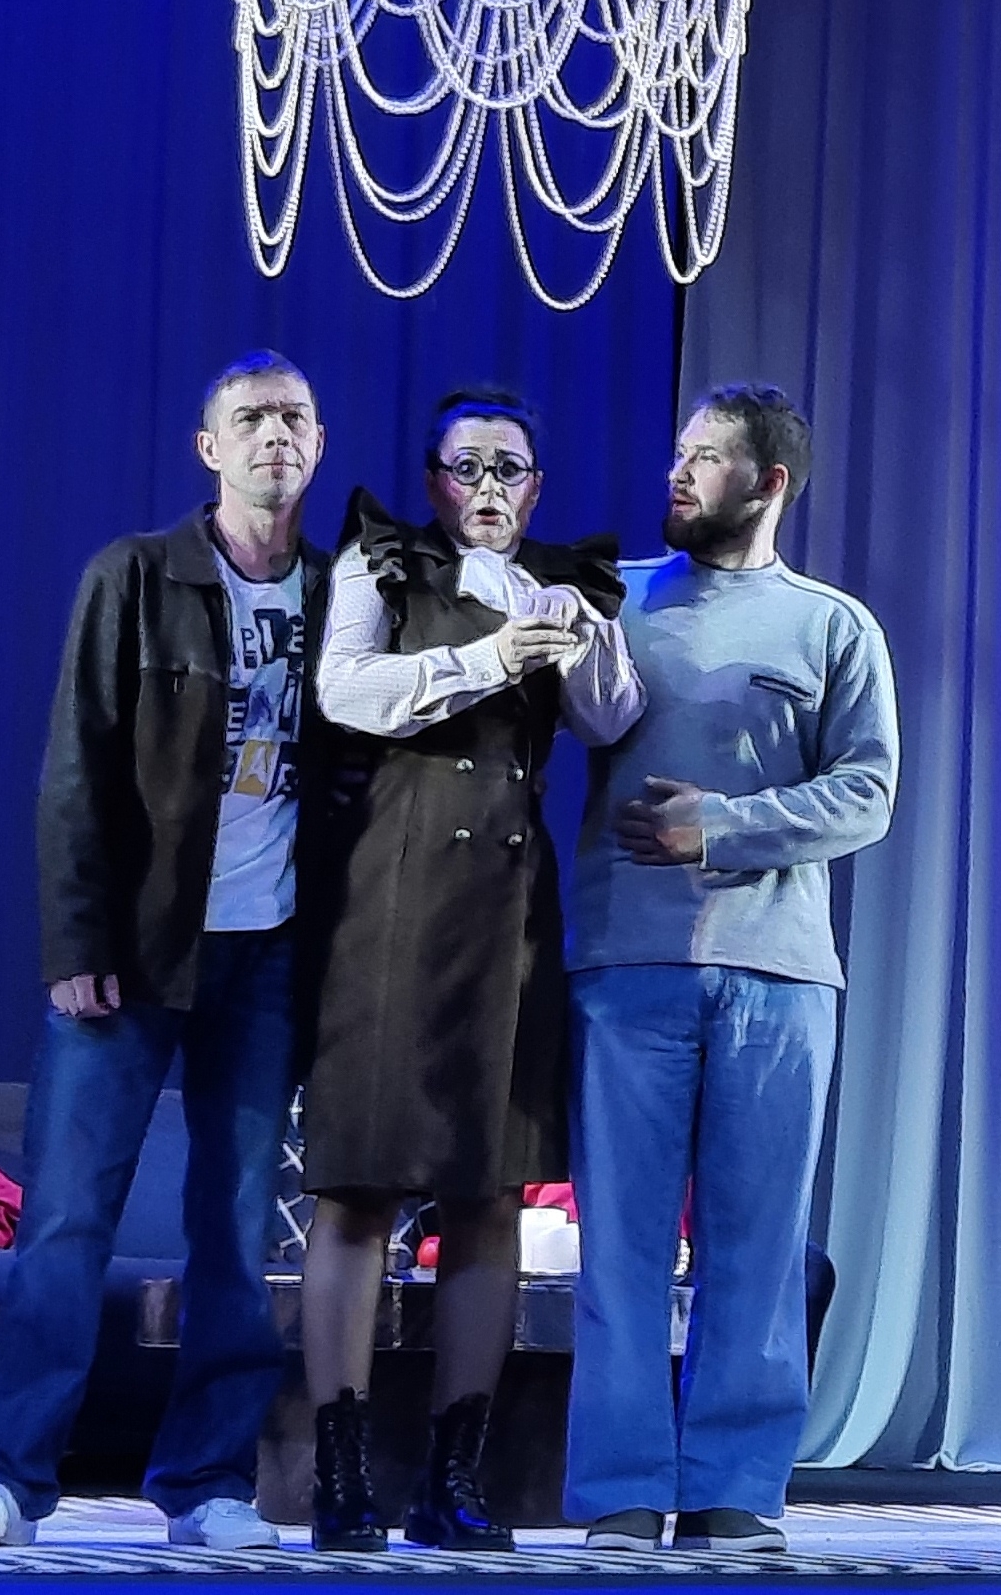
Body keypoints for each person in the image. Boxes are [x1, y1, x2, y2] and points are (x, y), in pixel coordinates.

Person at [0, 352, 330, 1550]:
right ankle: (8, 1475)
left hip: (269, 956)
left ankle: (208, 1483)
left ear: (318, 444)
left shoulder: (342, 593)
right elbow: (77, 764)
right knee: (67, 1216)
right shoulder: (136, 574)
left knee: (237, 1224)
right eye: (250, 418)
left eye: (294, 417)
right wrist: (77, 935)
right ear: (210, 448)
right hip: (135, 947)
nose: (274, 435)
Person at [296, 389, 643, 1553]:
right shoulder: (384, 563)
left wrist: (578, 637)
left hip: (507, 905)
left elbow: (611, 718)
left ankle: (456, 1475)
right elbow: (345, 691)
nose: (488, 487)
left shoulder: (565, 582)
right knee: (357, 1187)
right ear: (434, 479)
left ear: (536, 486)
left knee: (487, 1193)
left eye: (509, 468)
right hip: (389, 893)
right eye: (467, 465)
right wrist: (489, 654)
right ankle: (342, 1469)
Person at [563, 383, 900, 1554]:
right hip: (625, 960)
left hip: (779, 973)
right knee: (619, 1244)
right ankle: (618, 1488)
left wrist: (722, 824)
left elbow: (867, 791)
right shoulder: (614, 603)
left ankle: (734, 1490)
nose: (679, 470)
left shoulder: (832, 625)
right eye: (679, 450)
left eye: (706, 456)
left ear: (769, 482)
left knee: (757, 1244)